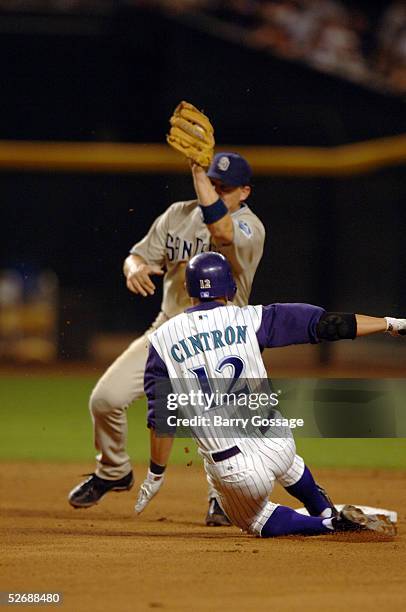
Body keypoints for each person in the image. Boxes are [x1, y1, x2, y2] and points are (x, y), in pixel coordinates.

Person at [134, 251, 400, 537]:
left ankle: (330, 524)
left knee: (255, 520)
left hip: (234, 468)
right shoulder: (254, 318)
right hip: (276, 441)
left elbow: (161, 419)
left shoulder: (162, 340)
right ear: (231, 288)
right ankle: (325, 509)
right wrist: (390, 323)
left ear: (187, 290)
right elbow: (329, 325)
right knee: (292, 468)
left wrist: (155, 474)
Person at [68, 152, 266, 526]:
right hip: (167, 329)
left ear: (245, 192)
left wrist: (197, 174)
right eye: (213, 183)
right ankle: (114, 471)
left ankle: (222, 498)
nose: (216, 191)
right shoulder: (177, 214)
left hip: (221, 339)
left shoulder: (248, 227)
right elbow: (137, 255)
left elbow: (221, 232)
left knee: (222, 422)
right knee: (105, 399)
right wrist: (136, 268)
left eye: (225, 188)